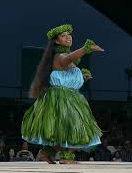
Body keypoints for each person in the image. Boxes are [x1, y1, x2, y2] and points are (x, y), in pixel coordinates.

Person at [21, 24, 104, 164]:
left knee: (66, 130)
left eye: (69, 35)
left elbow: (67, 75)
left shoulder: (67, 57)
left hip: (69, 96)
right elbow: (67, 60)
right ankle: (66, 157)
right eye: (63, 36)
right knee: (74, 126)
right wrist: (86, 48)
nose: (68, 37)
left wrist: (82, 77)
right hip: (62, 98)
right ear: (57, 41)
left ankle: (46, 152)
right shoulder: (60, 56)